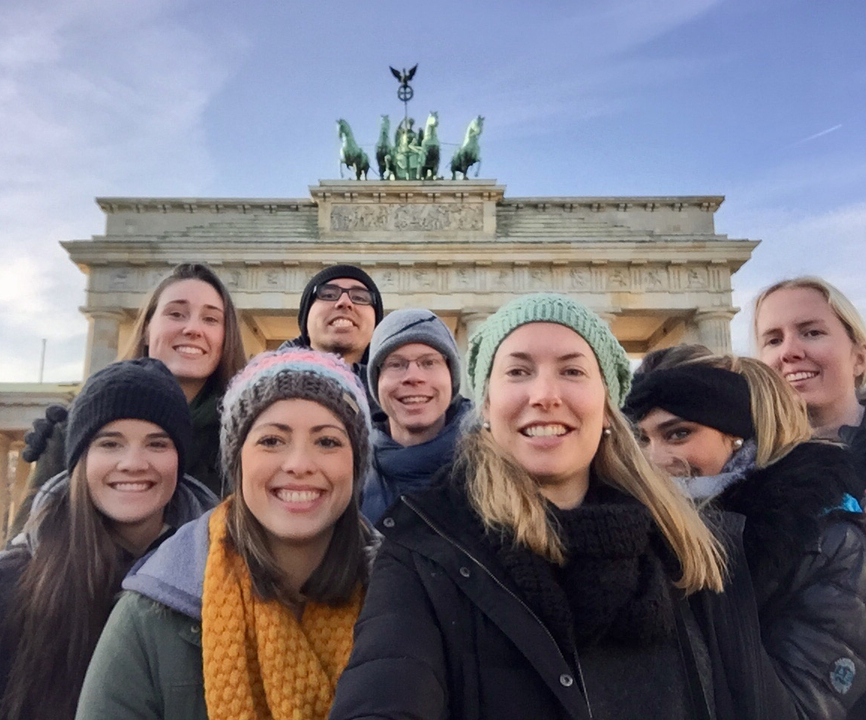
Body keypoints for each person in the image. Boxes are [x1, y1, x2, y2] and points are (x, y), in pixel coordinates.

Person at [330, 293, 797, 720]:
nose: (545, 395)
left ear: (607, 404)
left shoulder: (699, 548)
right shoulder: (420, 550)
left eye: (572, 370)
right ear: (486, 404)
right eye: (518, 371)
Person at [0, 358, 217, 720]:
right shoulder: (8, 586)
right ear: (79, 460)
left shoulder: (217, 579)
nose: (134, 462)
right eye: (110, 444)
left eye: (157, 444)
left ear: (179, 459)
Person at [75, 348, 378, 720]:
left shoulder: (407, 603)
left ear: (356, 464)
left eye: (328, 442)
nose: (299, 464)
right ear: (237, 461)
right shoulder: (149, 617)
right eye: (271, 440)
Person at [624, 354, 866, 717]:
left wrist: (712, 555)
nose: (653, 459)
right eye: (641, 438)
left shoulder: (829, 541)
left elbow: (798, 710)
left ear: (737, 437)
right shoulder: (637, 528)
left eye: (679, 434)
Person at [9, 263, 245, 539]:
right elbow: (25, 545)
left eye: (211, 319)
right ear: (146, 329)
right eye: (176, 314)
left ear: (226, 337)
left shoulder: (244, 438)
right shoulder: (76, 429)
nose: (193, 328)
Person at [362, 308, 472, 523]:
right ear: (377, 380)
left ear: (451, 376)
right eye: (396, 364)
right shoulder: (349, 472)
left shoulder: (502, 467)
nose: (413, 377)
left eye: (429, 362)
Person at [753, 276, 866, 485]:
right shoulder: (741, 471)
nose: (788, 352)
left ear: (859, 359)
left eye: (812, 333)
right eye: (774, 340)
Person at [279, 264, 384, 398]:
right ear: (306, 320)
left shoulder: (401, 394)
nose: (345, 302)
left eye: (359, 298)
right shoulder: (257, 391)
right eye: (328, 295)